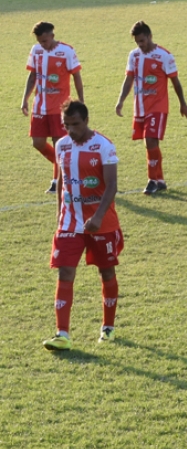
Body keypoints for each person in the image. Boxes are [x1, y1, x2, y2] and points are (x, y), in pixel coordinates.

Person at [43, 100, 123, 351]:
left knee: (106, 272)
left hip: (101, 223)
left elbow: (112, 186)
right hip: (70, 222)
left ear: (86, 121)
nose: (70, 130)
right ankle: (62, 334)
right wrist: (60, 214)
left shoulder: (103, 146)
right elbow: (61, 181)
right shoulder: (61, 145)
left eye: (75, 124)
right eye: (66, 125)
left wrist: (98, 217)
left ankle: (108, 327)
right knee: (65, 273)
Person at [115, 21, 187, 195]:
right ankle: (160, 180)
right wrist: (120, 101)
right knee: (150, 143)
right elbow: (129, 79)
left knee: (150, 140)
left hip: (158, 106)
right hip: (140, 106)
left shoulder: (164, 56)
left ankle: (152, 180)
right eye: (137, 42)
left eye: (142, 41)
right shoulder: (134, 55)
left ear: (150, 36)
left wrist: (183, 103)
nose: (140, 45)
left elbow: (175, 82)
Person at [21, 22, 84, 194]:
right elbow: (32, 75)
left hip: (59, 108)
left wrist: (81, 100)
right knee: (38, 143)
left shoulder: (66, 51)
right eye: (40, 41)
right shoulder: (36, 50)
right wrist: (25, 99)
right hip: (39, 106)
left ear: (52, 36)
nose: (42, 44)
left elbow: (76, 76)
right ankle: (64, 167)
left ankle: (57, 181)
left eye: (45, 41)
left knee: (59, 145)